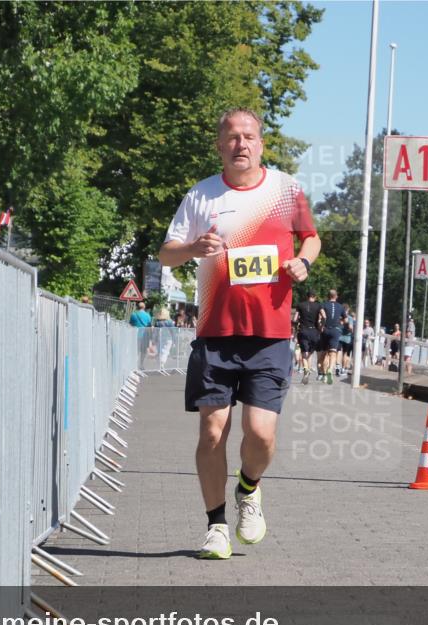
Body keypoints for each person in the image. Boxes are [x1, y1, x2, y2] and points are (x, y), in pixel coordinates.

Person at [159, 107, 320, 560]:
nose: (241, 144)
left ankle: (249, 488)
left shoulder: (286, 190)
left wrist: (303, 262)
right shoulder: (201, 195)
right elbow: (167, 253)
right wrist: (192, 247)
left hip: (270, 334)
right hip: (216, 332)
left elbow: (311, 238)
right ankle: (215, 526)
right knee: (212, 432)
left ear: (261, 144)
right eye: (232, 137)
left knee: (261, 434)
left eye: (249, 136)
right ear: (220, 146)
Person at [293, 290, 324, 385]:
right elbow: (324, 316)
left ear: (307, 296)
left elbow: (294, 319)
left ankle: (306, 370)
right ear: (315, 297)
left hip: (303, 331)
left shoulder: (300, 305)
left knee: (304, 352)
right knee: (310, 353)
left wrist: (296, 328)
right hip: (314, 332)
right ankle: (307, 372)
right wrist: (321, 326)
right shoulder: (318, 305)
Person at [320, 289, 345, 384]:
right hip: (335, 330)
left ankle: (324, 375)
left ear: (328, 296)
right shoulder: (340, 306)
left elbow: (322, 317)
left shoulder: (323, 305)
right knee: (333, 352)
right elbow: (346, 320)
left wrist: (322, 326)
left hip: (325, 330)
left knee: (324, 354)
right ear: (336, 296)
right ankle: (330, 369)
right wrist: (340, 325)